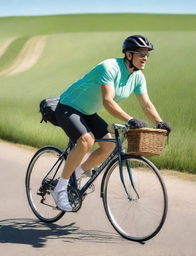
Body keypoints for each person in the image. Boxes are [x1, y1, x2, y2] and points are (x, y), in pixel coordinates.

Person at [52, 35, 171, 211]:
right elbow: (108, 101)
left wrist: (159, 122)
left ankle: (76, 175)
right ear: (129, 55)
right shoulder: (109, 67)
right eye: (141, 54)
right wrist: (130, 119)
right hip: (68, 106)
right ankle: (60, 188)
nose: (145, 57)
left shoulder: (138, 77)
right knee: (86, 141)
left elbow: (146, 104)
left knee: (108, 147)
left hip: (88, 112)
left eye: (147, 54)